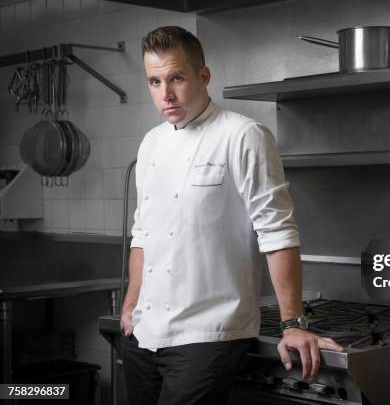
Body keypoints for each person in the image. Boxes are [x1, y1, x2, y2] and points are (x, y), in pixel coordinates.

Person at [119, 26, 343, 405]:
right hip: (144, 334)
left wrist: (293, 324)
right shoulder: (152, 142)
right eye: (154, 82)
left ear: (203, 77)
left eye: (176, 78)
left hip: (209, 336)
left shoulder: (244, 136)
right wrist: (130, 304)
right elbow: (143, 233)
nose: (165, 94)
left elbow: (278, 234)